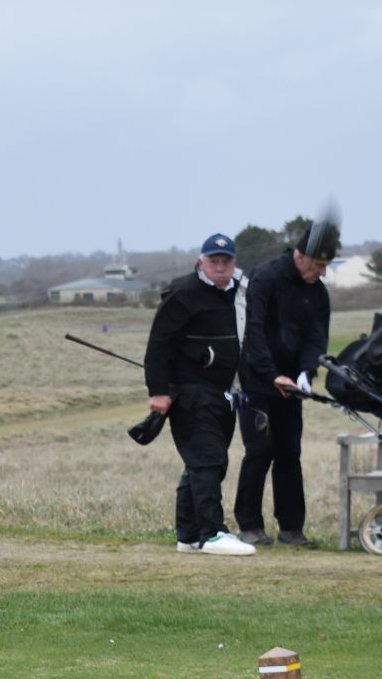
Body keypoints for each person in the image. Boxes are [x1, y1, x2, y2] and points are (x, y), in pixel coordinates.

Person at [143, 233, 255, 556]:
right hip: (189, 392)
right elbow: (159, 345)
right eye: (213, 261)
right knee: (207, 459)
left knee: (204, 462)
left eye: (226, 261)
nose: (220, 267)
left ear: (234, 263)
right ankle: (212, 533)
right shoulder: (183, 293)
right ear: (201, 262)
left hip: (225, 393)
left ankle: (189, 534)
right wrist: (158, 391)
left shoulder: (239, 294)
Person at [234, 213, 340, 546]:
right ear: (301, 256)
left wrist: (307, 372)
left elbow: (316, 338)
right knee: (259, 451)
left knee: (289, 453)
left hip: (291, 386)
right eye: (319, 265)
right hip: (256, 381)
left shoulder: (318, 293)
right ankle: (250, 525)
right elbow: (254, 333)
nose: (322, 272)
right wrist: (272, 374)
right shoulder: (265, 278)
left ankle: (292, 527)